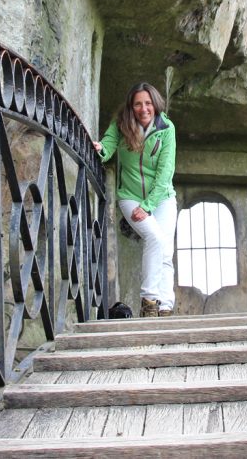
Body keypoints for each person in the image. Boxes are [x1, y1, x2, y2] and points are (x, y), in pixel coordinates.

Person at [93, 82, 178, 318]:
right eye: (138, 104)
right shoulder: (121, 123)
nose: (144, 109)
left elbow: (165, 172)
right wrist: (100, 149)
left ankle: (165, 307)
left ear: (155, 104)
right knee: (155, 238)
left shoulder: (166, 128)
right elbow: (108, 144)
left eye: (148, 103)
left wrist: (148, 205)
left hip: (162, 198)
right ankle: (149, 302)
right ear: (131, 106)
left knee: (165, 251)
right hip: (130, 196)